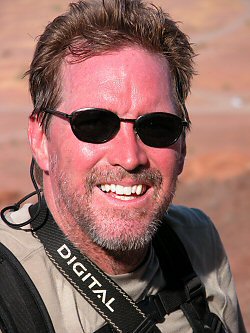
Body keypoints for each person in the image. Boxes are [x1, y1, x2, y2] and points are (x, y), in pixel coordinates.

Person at [0, 0, 246, 332]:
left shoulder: (197, 244)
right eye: (95, 124)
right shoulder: (9, 288)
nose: (130, 157)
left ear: (183, 144)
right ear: (40, 138)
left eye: (157, 126)